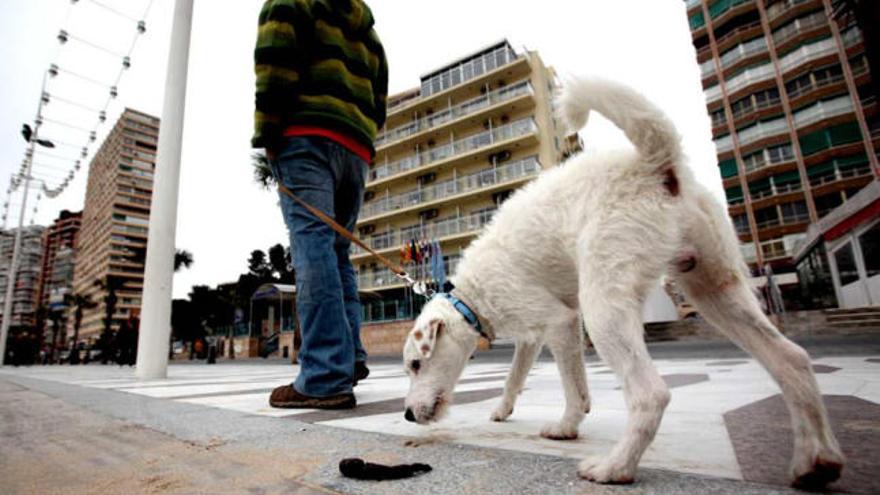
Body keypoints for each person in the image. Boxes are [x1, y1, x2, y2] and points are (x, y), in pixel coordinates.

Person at [253, 0, 388, 409]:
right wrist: (361, 141)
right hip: (355, 148)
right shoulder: (369, 33)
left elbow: (275, 68)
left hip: (306, 135)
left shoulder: (289, 2)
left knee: (312, 246)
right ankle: (348, 360)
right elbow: (378, 104)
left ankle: (325, 375)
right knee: (336, 252)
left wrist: (269, 136)